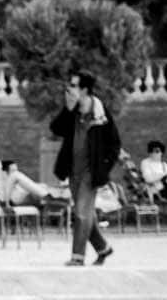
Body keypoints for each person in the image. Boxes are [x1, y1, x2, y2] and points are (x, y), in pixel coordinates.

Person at [50, 70, 120, 266]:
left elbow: (114, 144)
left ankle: (77, 257)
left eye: (72, 85)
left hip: (92, 171)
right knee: (85, 213)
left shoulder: (100, 114)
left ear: (84, 89)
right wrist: (67, 108)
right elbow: (55, 129)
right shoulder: (72, 111)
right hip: (73, 170)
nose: (68, 88)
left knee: (81, 212)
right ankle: (103, 248)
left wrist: (104, 168)